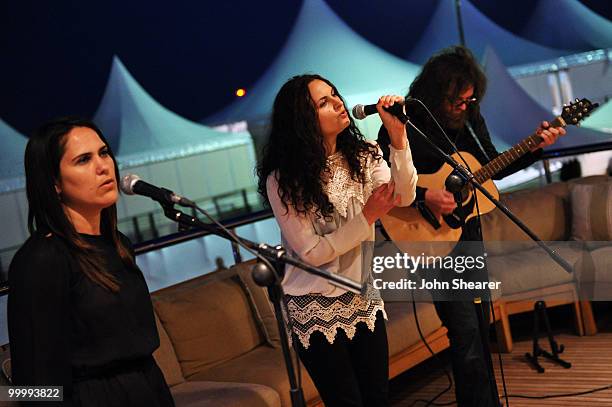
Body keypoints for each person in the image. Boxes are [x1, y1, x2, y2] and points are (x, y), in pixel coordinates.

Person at [377, 46, 565, 407]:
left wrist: (534, 147)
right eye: (456, 101)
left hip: (466, 233)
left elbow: (491, 166)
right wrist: (425, 196)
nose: (464, 107)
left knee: (479, 329)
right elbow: (382, 180)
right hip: (427, 241)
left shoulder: (470, 116)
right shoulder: (405, 121)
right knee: (465, 334)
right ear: (436, 93)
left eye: (469, 100)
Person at [257, 74, 418, 406]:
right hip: (314, 304)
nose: (338, 104)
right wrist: (367, 217)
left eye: (335, 95)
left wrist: (398, 138)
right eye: (323, 102)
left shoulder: (365, 154)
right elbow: (313, 253)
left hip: (362, 296)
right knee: (345, 401)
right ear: (302, 120)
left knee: (378, 397)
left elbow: (402, 197)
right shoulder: (283, 179)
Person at [8, 117, 175, 406]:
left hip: (149, 389)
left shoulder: (119, 244)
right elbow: (32, 383)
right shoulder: (41, 259)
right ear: (54, 182)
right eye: (83, 159)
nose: (103, 166)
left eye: (104, 152)